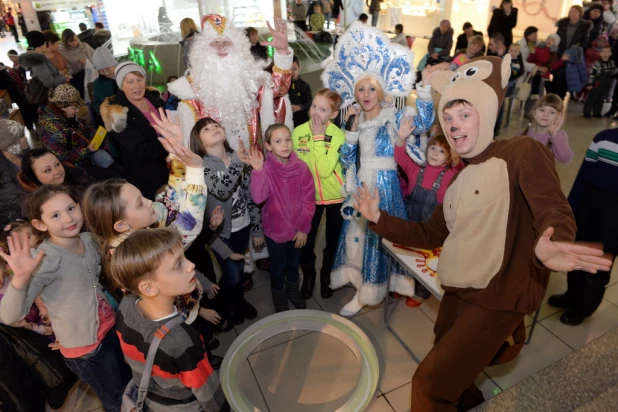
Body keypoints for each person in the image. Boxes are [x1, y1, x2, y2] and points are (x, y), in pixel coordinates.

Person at [352, 55, 611, 411]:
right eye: (448, 117)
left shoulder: (521, 150)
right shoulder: (458, 181)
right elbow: (430, 233)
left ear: (486, 113)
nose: (454, 125)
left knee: (429, 384)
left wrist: (553, 240)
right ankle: (469, 399)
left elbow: (552, 204)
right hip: (458, 289)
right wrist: (378, 216)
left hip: (497, 296)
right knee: (450, 358)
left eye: (464, 114)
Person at [322, 22, 437, 316]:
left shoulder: (392, 116)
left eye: (371, 87)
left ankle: (382, 285)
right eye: (361, 88)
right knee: (359, 239)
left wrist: (423, 89)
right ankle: (365, 288)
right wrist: (350, 132)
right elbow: (346, 158)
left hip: (386, 186)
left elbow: (422, 125)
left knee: (384, 236)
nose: (366, 93)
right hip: (363, 185)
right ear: (356, 94)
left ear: (380, 90)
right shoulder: (355, 121)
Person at [0, 185, 133, 411]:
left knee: (130, 383)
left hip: (113, 327)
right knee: (116, 398)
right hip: (88, 349)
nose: (68, 218)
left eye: (71, 208)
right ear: (40, 225)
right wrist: (21, 278)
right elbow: (9, 315)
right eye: (55, 215)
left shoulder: (89, 239)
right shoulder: (44, 259)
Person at [110, 229, 230, 411]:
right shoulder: (182, 340)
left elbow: (131, 359)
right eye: (178, 264)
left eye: (184, 257)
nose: (191, 265)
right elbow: (208, 393)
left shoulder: (126, 306)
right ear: (149, 288)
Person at [168, 15, 293, 152]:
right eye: (215, 43)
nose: (221, 48)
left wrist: (282, 53)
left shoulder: (250, 80)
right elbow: (190, 144)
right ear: (203, 50)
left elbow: (279, 91)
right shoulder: (191, 91)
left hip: (253, 163)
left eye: (226, 43)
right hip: (216, 169)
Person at [188, 116, 260, 325]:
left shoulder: (235, 156)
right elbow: (222, 189)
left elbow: (250, 195)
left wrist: (256, 228)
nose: (214, 129)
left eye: (216, 125)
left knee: (239, 272)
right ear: (199, 141)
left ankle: (238, 300)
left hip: (243, 225)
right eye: (207, 129)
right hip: (220, 233)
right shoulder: (203, 166)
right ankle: (225, 306)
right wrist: (238, 161)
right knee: (232, 274)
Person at [548, 128, 618, 326]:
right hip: (589, 204)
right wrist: (570, 208)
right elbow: (583, 176)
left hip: (615, 218)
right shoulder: (603, 138)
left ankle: (584, 307)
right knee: (576, 254)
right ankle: (572, 295)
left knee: (598, 265)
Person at [249, 124, 315, 311]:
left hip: (297, 231)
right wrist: (258, 171)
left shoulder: (301, 167)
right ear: (268, 146)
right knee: (278, 267)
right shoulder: (266, 169)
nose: (285, 144)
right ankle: (279, 296)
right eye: (278, 141)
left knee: (294, 264)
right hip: (275, 232)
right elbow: (258, 197)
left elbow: (309, 201)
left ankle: (293, 290)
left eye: (287, 139)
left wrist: (303, 228)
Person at [394, 132, 460, 304]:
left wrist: (456, 158)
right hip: (410, 222)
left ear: (448, 158)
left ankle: (421, 292)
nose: (435, 153)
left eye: (441, 151)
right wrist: (401, 138)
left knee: (425, 260)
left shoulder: (450, 175)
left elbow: (463, 173)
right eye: (433, 148)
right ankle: (403, 285)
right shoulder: (416, 168)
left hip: (430, 229)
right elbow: (400, 156)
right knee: (405, 254)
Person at [292, 88, 344, 299]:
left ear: (333, 114)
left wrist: (319, 138)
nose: (315, 112)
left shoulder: (338, 135)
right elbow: (296, 167)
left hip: (335, 198)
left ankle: (326, 276)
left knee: (333, 241)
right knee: (306, 242)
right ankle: (310, 274)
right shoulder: (298, 132)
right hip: (309, 198)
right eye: (314, 106)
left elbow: (323, 170)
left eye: (323, 109)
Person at [100, 61, 168, 200]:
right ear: (121, 85)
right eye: (130, 82)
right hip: (148, 174)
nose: (137, 86)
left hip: (169, 165)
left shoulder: (153, 97)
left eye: (139, 79)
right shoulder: (117, 113)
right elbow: (142, 151)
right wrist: (172, 140)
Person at [38, 84, 122, 180]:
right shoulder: (52, 128)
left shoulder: (69, 117)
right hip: (75, 169)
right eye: (74, 108)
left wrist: (98, 137)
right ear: (63, 107)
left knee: (119, 169)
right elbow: (60, 157)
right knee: (114, 177)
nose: (77, 111)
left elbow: (87, 130)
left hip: (88, 159)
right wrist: (86, 150)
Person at [17, 148, 94, 210]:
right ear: (34, 177)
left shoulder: (77, 175)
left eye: (57, 164)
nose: (57, 171)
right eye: (47, 170)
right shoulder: (32, 203)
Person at [523, 94, 573, 164]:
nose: (546, 114)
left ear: (558, 117)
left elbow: (566, 159)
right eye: (542, 110)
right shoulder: (523, 134)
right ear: (534, 112)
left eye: (552, 112)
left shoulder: (559, 137)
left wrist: (554, 135)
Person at [0, 120, 29, 227]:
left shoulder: (23, 155)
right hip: (17, 222)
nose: (25, 138)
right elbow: (14, 203)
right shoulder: (2, 171)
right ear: (10, 143)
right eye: (21, 136)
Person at [58, 29, 94, 99]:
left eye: (75, 40)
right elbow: (67, 68)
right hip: (77, 78)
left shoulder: (85, 46)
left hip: (92, 74)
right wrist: (79, 64)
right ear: (65, 42)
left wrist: (89, 62)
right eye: (71, 41)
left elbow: (95, 56)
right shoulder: (62, 51)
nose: (74, 43)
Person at [584, 45, 617, 118]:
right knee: (592, 97)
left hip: (606, 84)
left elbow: (613, 72)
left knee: (601, 98)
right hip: (596, 83)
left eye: (607, 52)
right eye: (603, 52)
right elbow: (592, 74)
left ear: (610, 53)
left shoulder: (612, 63)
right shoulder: (597, 64)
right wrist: (589, 84)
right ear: (600, 53)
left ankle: (597, 112)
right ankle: (587, 112)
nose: (605, 54)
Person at [90, 46, 118, 121]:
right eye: (101, 71)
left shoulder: (125, 76)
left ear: (114, 64)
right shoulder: (97, 84)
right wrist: (104, 110)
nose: (106, 73)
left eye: (108, 68)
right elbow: (96, 103)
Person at [289, 55, 312, 127]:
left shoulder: (305, 86)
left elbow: (309, 103)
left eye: (294, 69)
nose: (292, 72)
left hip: (302, 120)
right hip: (288, 120)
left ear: (299, 68)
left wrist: (300, 107)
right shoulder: (284, 86)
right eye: (289, 69)